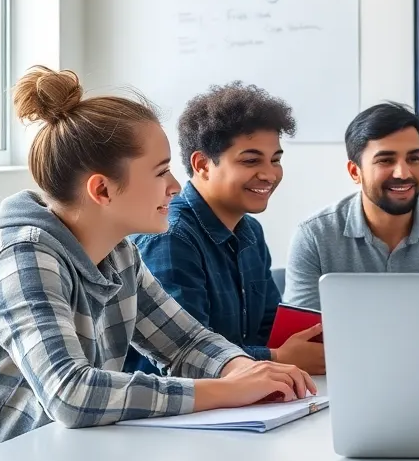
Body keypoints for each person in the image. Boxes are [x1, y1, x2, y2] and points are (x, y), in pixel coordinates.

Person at [0, 67, 314, 449]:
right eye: (161, 172)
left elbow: (185, 342)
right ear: (102, 190)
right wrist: (228, 389)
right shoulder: (22, 255)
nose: (175, 186)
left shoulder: (119, 253)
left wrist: (243, 369)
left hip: (68, 453)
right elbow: (70, 394)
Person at [126, 82, 323, 377]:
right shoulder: (170, 236)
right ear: (203, 164)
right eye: (251, 160)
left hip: (244, 392)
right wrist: (277, 357)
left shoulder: (250, 232)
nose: (269, 174)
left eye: (276, 160)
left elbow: (270, 329)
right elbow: (186, 357)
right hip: (176, 401)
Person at [283, 102, 419, 309]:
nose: (403, 173)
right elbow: (301, 329)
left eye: (414, 159)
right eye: (386, 160)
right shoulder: (314, 236)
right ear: (355, 172)